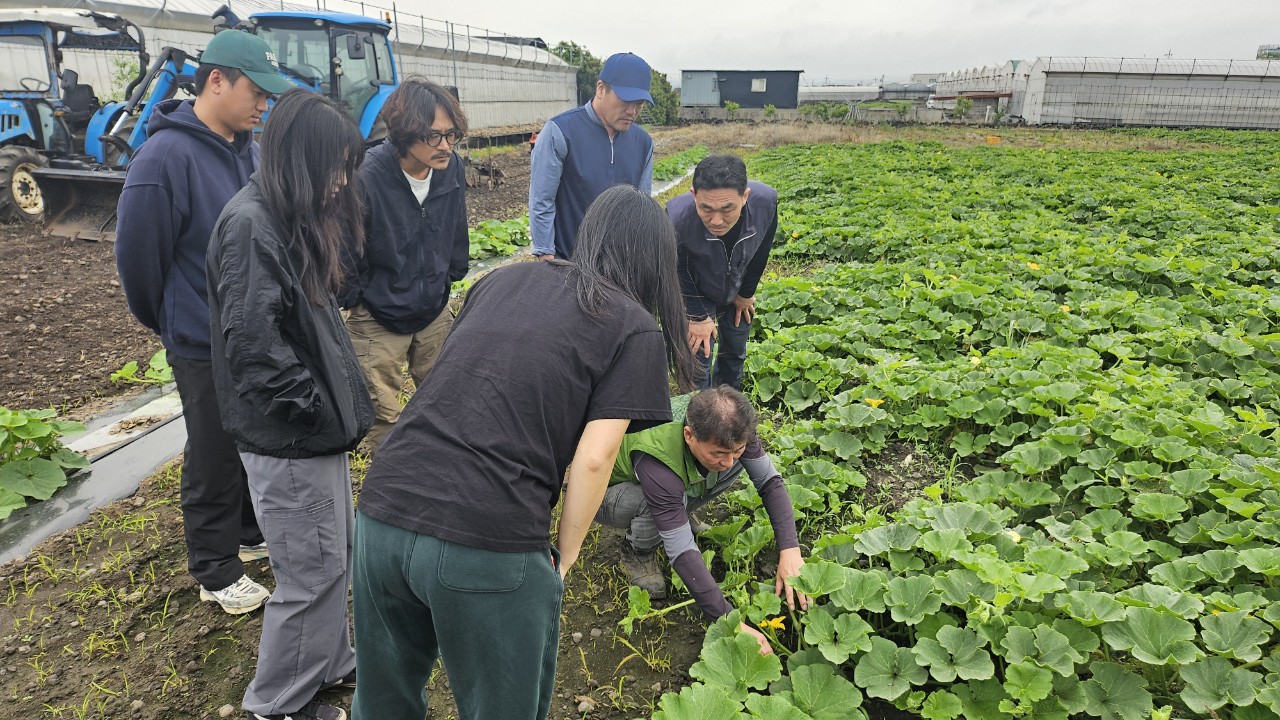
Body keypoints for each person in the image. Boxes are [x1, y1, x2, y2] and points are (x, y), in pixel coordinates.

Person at [351, 186, 696, 720]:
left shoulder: (502, 279)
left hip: (383, 511)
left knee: (383, 699)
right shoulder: (632, 325)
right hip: (487, 535)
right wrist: (566, 555)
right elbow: (596, 458)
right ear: (658, 262)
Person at [206, 90, 373, 720]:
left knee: (333, 555)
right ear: (300, 159)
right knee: (310, 572)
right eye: (335, 166)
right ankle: (278, 704)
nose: (341, 181)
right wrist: (313, 411)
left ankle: (328, 661)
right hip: (290, 438)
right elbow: (255, 348)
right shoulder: (252, 225)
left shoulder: (284, 215)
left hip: (311, 434)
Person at [115, 28, 293, 615]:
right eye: (255, 92)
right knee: (213, 448)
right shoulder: (164, 158)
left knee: (249, 436)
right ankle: (214, 568)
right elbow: (139, 260)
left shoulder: (250, 151)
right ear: (216, 80)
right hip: (200, 337)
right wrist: (177, 319)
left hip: (250, 333)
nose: (263, 104)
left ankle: (246, 530)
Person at [595, 386, 809, 655]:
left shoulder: (730, 426)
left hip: (667, 480)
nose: (728, 461)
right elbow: (682, 550)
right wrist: (729, 620)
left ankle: (678, 509)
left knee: (736, 464)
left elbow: (770, 482)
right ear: (689, 435)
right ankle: (638, 550)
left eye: (737, 450)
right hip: (603, 493)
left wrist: (790, 549)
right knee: (655, 501)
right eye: (718, 453)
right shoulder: (658, 458)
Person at [339, 78, 470, 453]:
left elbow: (456, 224)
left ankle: (439, 469)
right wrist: (358, 298)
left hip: (433, 310)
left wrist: (451, 273)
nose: (445, 146)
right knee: (384, 420)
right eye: (433, 136)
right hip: (377, 317)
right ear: (404, 132)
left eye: (451, 135)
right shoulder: (367, 176)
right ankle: (392, 480)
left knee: (445, 401)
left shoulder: (451, 168)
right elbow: (345, 246)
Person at [667, 154, 779, 389]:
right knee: (699, 353)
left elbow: (762, 248)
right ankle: (699, 406)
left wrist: (745, 293)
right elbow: (677, 268)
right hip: (696, 287)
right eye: (706, 208)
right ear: (693, 195)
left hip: (736, 281)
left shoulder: (765, 204)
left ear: (745, 196)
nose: (716, 220)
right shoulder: (676, 218)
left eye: (727, 209)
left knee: (736, 347)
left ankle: (728, 402)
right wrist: (697, 316)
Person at [528, 52, 655, 260]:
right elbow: (542, 199)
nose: (632, 111)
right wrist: (546, 255)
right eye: (626, 101)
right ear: (601, 89)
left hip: (619, 266)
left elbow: (642, 208)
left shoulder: (643, 143)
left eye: (639, 104)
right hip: (568, 263)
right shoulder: (561, 131)